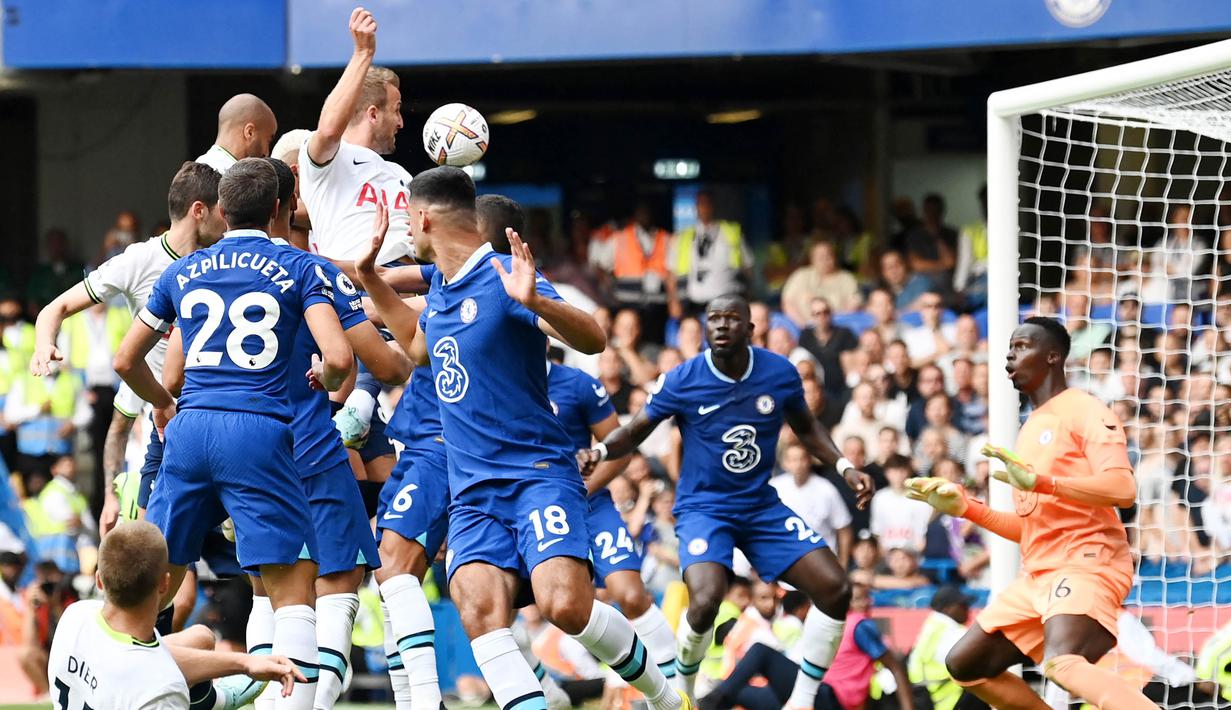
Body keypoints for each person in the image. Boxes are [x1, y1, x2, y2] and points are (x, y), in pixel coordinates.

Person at [393, 166, 685, 710]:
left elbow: (594, 337)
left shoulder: (506, 276)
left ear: (426, 217)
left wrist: (538, 303)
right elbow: (414, 351)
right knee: (478, 609)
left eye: (408, 217)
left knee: (565, 606)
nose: (405, 229)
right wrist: (362, 276)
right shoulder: (440, 290)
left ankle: (668, 700)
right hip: (474, 493)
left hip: (537, 476)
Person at [113, 157, 354, 710]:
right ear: (279, 210)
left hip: (190, 429)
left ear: (221, 210)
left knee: (154, 579)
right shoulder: (300, 267)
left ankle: (104, 685)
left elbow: (129, 360)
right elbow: (338, 356)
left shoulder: (184, 270)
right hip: (259, 433)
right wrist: (326, 376)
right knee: (292, 589)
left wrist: (164, 403)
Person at [582, 293, 875, 709]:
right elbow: (636, 430)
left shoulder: (779, 373)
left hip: (760, 506)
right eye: (713, 318)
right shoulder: (684, 378)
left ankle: (802, 701)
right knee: (704, 602)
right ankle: (683, 690)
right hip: (704, 508)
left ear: (750, 329)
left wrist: (845, 466)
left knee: (836, 588)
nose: (720, 325)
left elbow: (807, 427)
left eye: (731, 318)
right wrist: (600, 452)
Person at [195, 157, 409, 710]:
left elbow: (171, 373)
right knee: (335, 587)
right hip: (310, 445)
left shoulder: (201, 270)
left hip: (235, 451)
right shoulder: (314, 273)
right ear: (288, 205)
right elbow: (382, 366)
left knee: (273, 592)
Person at [904, 316, 1153, 709]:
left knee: (1061, 663)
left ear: (1053, 356)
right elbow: (1032, 529)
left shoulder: (1084, 409)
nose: (1009, 355)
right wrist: (966, 508)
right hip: (1040, 573)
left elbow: (1123, 489)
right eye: (1009, 348)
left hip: (1086, 561)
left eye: (1021, 346)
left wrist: (1043, 482)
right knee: (965, 665)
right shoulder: (1030, 427)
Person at [29, 162, 226, 537]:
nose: (227, 219)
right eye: (221, 210)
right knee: (162, 561)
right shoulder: (140, 261)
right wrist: (44, 343)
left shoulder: (224, 258)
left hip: (219, 412)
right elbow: (56, 308)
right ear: (199, 210)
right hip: (166, 419)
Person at [47, 521, 303, 710]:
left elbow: (141, 656)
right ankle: (212, 702)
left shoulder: (75, 616)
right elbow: (149, 666)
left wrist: (243, 664)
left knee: (200, 637)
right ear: (165, 584)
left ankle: (216, 699)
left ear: (99, 581)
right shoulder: (162, 689)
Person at [548, 355, 681, 689]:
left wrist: (582, 491)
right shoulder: (499, 382)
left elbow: (620, 450)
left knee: (631, 594)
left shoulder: (578, 384)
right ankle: (552, 689)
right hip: (527, 510)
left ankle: (675, 689)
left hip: (589, 503)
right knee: (516, 610)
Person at [698, 582, 914, 710]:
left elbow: (895, 666)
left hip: (828, 698)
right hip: (810, 690)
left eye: (866, 597)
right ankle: (702, 703)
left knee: (761, 653)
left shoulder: (859, 625)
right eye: (858, 598)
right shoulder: (834, 623)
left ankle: (707, 704)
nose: (865, 603)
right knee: (737, 691)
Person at [669, 190, 752, 317]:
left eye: (707, 203)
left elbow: (748, 268)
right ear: (695, 207)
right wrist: (673, 301)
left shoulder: (731, 232)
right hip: (693, 302)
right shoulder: (683, 237)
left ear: (713, 206)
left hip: (727, 301)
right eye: (701, 204)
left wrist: (748, 297)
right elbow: (671, 273)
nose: (704, 208)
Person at [771, 443, 853, 566]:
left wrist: (843, 564)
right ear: (784, 463)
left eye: (801, 459)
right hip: (785, 564)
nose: (798, 465)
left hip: (823, 563)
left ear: (809, 461)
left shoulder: (826, 489)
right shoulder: (774, 487)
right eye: (793, 460)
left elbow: (844, 529)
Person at [907, 587, 986, 710]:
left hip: (929, 699)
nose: (967, 610)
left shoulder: (932, 627)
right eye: (962, 605)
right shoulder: (953, 632)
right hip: (950, 700)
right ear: (946, 609)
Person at [781, 242, 861, 326]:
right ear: (812, 259)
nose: (825, 260)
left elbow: (853, 304)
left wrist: (832, 326)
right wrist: (804, 327)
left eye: (828, 255)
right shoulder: (800, 275)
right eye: (820, 257)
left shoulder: (846, 278)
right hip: (801, 327)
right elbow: (788, 303)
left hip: (838, 327)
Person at [196, 94, 279, 173]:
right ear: (249, 132)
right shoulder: (236, 182)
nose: (267, 153)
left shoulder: (197, 170)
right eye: (268, 141)